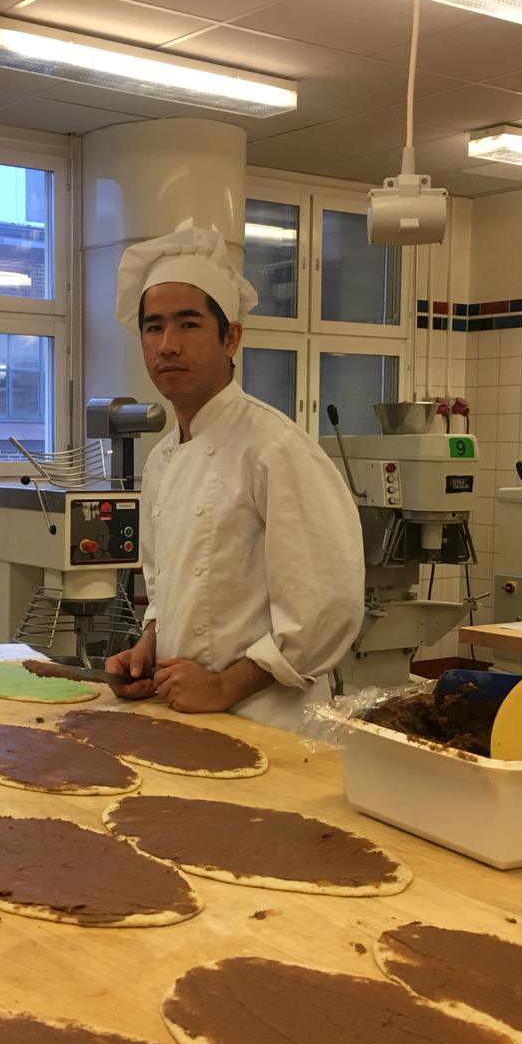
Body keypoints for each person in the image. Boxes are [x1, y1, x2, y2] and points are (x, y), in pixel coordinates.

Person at [103, 225, 364, 732]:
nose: (168, 345)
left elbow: (328, 608)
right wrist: (146, 652)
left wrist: (223, 687)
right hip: (185, 714)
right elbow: (167, 586)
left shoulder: (276, 449)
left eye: (189, 324)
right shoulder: (161, 460)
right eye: (153, 328)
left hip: (270, 724)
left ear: (231, 338)